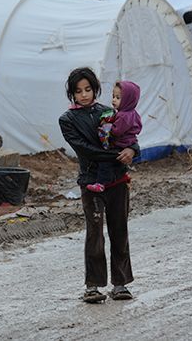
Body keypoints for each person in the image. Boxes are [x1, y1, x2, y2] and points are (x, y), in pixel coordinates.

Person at [59, 67, 140, 303]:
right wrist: (119, 154)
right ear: (72, 94)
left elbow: (131, 138)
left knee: (119, 230)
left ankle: (120, 284)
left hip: (118, 181)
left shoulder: (110, 111)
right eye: (78, 91)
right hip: (90, 182)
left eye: (88, 89)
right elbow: (86, 150)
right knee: (95, 234)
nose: (84, 95)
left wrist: (132, 150)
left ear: (95, 89)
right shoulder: (68, 120)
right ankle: (93, 286)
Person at [87, 80, 142, 193]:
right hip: (129, 142)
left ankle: (101, 183)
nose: (113, 100)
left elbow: (116, 131)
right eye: (113, 96)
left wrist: (106, 126)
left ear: (127, 100)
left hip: (121, 143)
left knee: (105, 162)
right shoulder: (133, 113)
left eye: (118, 97)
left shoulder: (122, 115)